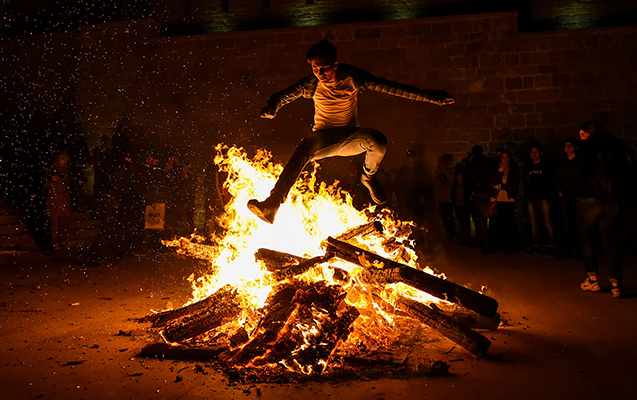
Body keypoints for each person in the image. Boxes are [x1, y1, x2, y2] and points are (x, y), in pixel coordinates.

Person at [247, 39, 455, 223]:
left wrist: (433, 97)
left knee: (378, 140)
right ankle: (272, 204)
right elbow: (283, 95)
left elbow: (392, 88)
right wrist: (272, 107)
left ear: (336, 65)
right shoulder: (310, 84)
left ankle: (367, 177)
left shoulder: (353, 78)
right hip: (323, 138)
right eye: (315, 69)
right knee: (304, 147)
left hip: (350, 137)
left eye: (325, 68)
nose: (320, 73)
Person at [575, 121, 629, 298]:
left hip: (590, 198)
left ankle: (593, 280)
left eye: (582, 135)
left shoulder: (585, 146)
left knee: (587, 239)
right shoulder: (616, 145)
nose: (580, 138)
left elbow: (581, 170)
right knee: (612, 241)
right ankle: (616, 284)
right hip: (613, 199)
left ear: (588, 134)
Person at [524, 142, 557, 256]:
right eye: (532, 152)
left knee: (548, 222)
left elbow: (551, 181)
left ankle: (551, 246)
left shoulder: (546, 166)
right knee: (534, 224)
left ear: (540, 153)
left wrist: (550, 194)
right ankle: (536, 246)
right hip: (532, 198)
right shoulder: (528, 166)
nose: (534, 154)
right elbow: (526, 182)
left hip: (544, 198)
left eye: (536, 152)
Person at [465, 145, 496, 252]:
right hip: (489, 192)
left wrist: (471, 192)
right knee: (492, 218)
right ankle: (493, 243)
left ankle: (486, 244)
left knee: (482, 220)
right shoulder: (490, 162)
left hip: (479, 194)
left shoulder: (471, 165)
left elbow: (468, 180)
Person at [487, 150, 519, 254]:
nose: (504, 160)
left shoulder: (514, 171)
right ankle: (495, 245)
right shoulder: (496, 170)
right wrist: (500, 170)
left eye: (507, 157)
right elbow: (492, 182)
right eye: (502, 157)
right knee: (495, 223)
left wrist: (502, 187)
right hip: (497, 199)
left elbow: (514, 186)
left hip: (508, 200)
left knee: (507, 223)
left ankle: (508, 246)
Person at [556, 137, 582, 258]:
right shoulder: (563, 163)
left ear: (575, 147)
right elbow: (559, 178)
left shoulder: (580, 162)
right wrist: (560, 191)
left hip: (578, 196)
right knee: (567, 223)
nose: (568, 148)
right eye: (566, 146)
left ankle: (579, 249)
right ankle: (568, 248)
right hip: (566, 196)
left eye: (570, 145)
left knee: (579, 223)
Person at [43, 151, 73, 250]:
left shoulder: (66, 170)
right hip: (54, 199)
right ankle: (54, 242)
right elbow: (44, 185)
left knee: (64, 222)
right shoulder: (50, 170)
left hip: (64, 199)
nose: (65, 160)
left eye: (66, 158)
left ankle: (63, 240)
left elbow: (68, 184)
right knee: (55, 223)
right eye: (62, 158)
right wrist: (52, 180)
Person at [433, 156, 455, 240]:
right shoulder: (436, 173)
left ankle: (453, 234)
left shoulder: (449, 172)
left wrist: (450, 196)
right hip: (440, 198)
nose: (441, 163)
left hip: (447, 198)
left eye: (442, 161)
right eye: (440, 161)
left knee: (449, 217)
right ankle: (448, 234)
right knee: (444, 218)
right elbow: (435, 186)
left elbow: (451, 184)